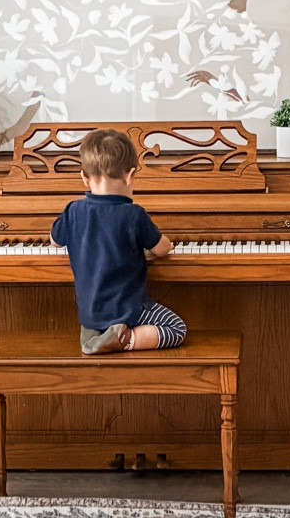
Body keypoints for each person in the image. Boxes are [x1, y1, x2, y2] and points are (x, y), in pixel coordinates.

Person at [51, 129, 188, 355]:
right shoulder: (134, 215)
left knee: (97, 318)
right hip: (129, 310)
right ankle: (125, 339)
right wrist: (167, 243)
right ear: (130, 175)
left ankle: (95, 335)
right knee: (176, 328)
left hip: (90, 315)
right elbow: (161, 249)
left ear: (84, 177)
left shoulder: (73, 210)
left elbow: (55, 240)